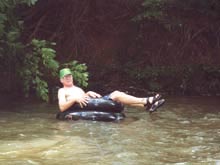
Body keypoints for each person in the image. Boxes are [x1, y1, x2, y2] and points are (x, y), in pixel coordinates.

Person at [58, 68, 165, 114]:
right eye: (65, 77)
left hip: (95, 102)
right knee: (116, 94)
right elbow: (62, 107)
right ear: (61, 80)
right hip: (83, 107)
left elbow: (85, 99)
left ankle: (147, 105)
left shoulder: (78, 88)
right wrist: (74, 99)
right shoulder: (62, 91)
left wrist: (87, 93)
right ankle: (147, 100)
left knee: (119, 96)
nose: (68, 78)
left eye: (69, 76)